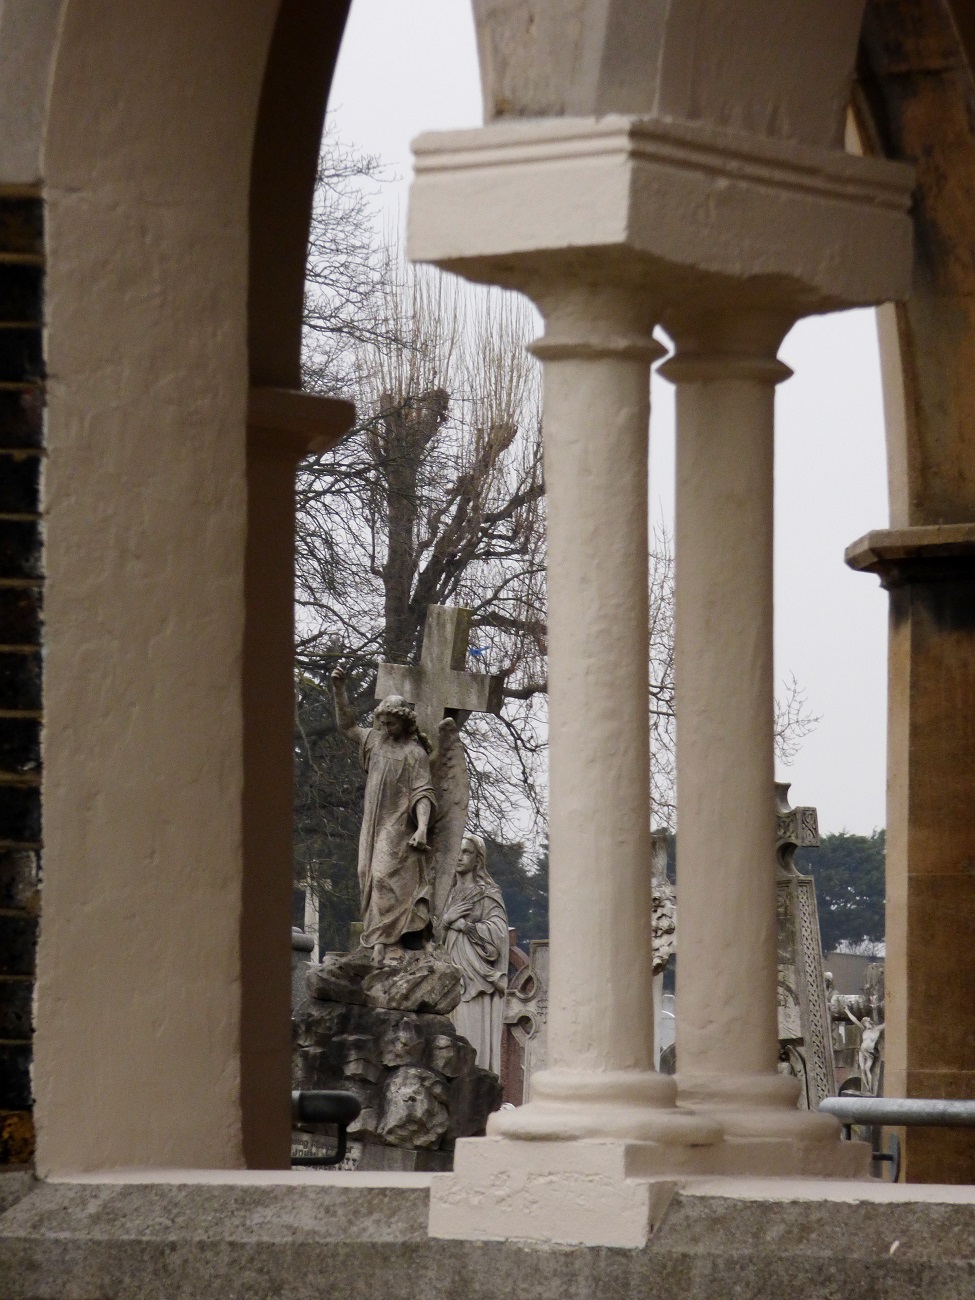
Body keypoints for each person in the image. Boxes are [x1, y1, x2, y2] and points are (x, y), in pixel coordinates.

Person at [332, 666, 436, 966]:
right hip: (372, 823)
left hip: (397, 825)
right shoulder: (375, 742)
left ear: (404, 723)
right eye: (383, 722)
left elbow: (423, 793)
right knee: (365, 873)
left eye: (391, 723)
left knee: (381, 877)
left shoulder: (415, 754)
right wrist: (339, 690)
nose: (386, 727)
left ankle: (385, 943)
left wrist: (423, 828)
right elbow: (348, 726)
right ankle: (378, 941)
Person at [440, 833, 509, 1075]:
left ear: (477, 859)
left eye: (466, 852)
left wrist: (467, 927)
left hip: (477, 979)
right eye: (456, 851)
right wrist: (447, 921)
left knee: (471, 1040)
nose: (459, 856)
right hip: (447, 974)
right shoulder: (444, 894)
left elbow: (500, 933)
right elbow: (428, 933)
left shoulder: (486, 893)